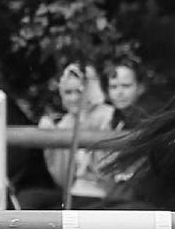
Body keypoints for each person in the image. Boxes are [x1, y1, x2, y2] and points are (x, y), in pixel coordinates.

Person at [15, 63, 118, 210]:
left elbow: (108, 170)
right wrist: (50, 141)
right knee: (28, 199)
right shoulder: (66, 122)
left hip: (104, 193)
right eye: (68, 92)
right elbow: (63, 178)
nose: (74, 98)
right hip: (74, 192)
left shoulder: (108, 116)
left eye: (79, 91)